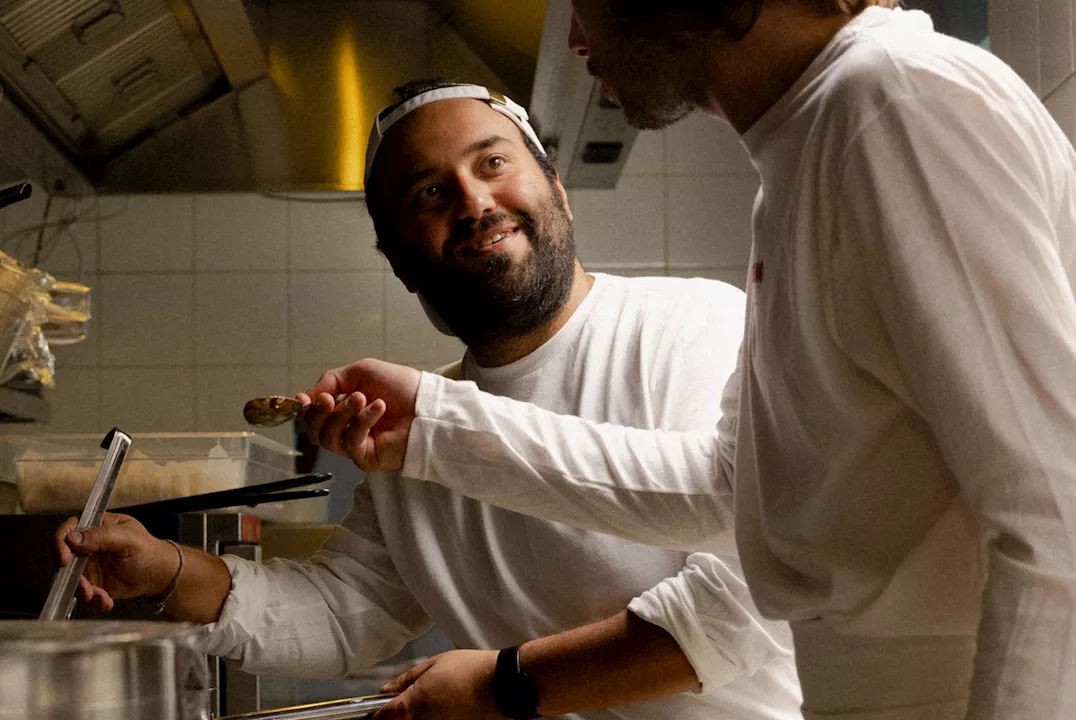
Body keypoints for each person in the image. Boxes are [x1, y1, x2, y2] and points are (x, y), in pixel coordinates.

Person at [297, 2, 1076, 719]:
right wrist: (434, 423)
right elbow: (732, 492)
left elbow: (1055, 515)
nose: (575, 38)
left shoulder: (890, 105)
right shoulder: (805, 152)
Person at [55, 81, 803, 720]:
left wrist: (505, 685)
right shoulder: (413, 428)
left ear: (560, 193)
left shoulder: (693, 328)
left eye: (493, 162)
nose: (474, 201)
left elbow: (757, 596)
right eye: (430, 192)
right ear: (402, 263)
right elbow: (349, 610)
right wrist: (167, 572)